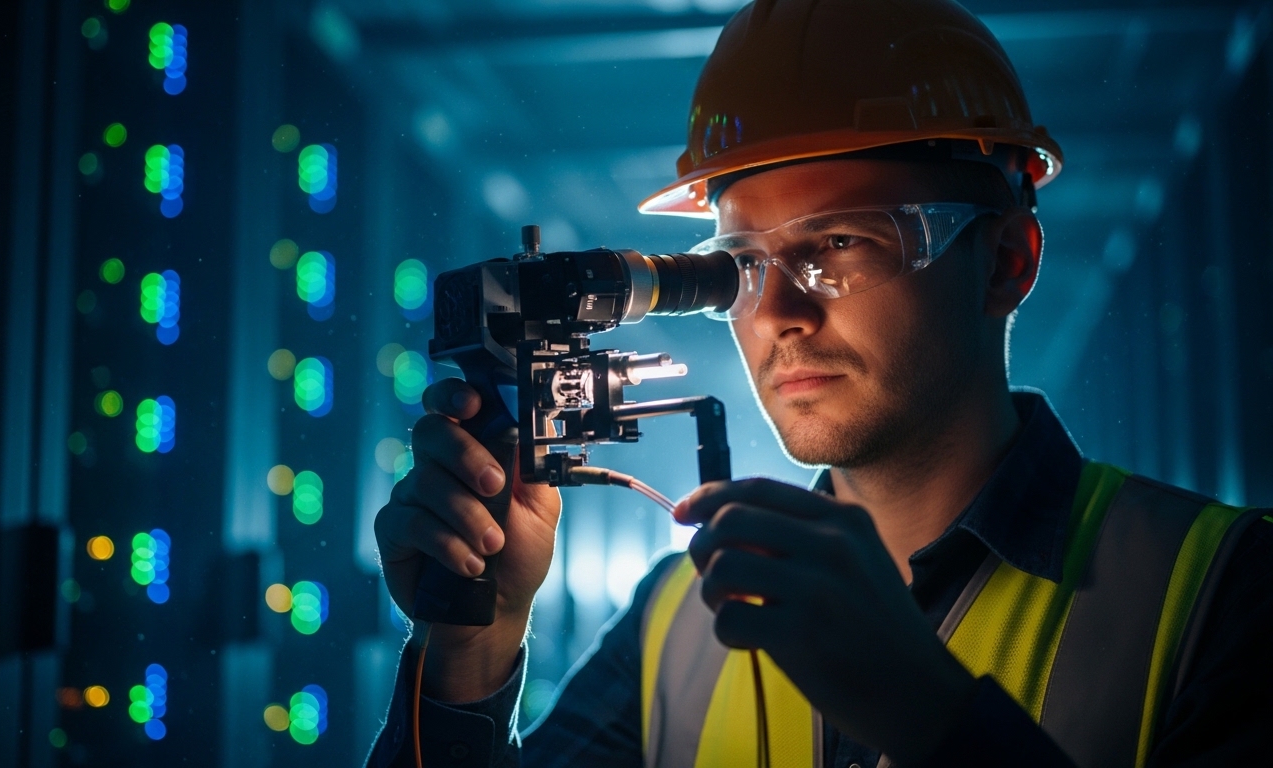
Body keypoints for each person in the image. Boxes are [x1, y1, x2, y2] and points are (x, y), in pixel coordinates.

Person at [366, 0, 1273, 765]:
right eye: (737, 269)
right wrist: (469, 656)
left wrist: (932, 717)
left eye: (840, 246)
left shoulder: (1223, 594)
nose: (780, 315)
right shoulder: (680, 617)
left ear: (1005, 261)